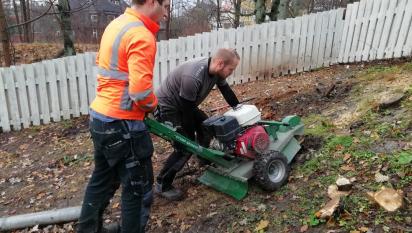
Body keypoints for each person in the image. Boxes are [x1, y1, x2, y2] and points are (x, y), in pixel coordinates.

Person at [76, 0, 169, 232]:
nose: (166, 13)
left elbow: (105, 67)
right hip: (123, 124)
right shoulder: (141, 35)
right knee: (137, 190)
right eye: (165, 5)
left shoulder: (115, 25)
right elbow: (140, 93)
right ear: (150, 2)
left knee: (101, 180)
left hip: (99, 117)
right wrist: (152, 105)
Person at [154, 48, 241, 201]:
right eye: (231, 69)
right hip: (167, 107)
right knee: (185, 145)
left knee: (206, 128)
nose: (231, 72)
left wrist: (238, 108)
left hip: (185, 105)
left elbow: (226, 90)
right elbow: (187, 114)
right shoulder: (193, 76)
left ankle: (204, 159)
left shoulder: (215, 71)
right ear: (220, 64)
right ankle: (163, 184)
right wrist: (189, 139)